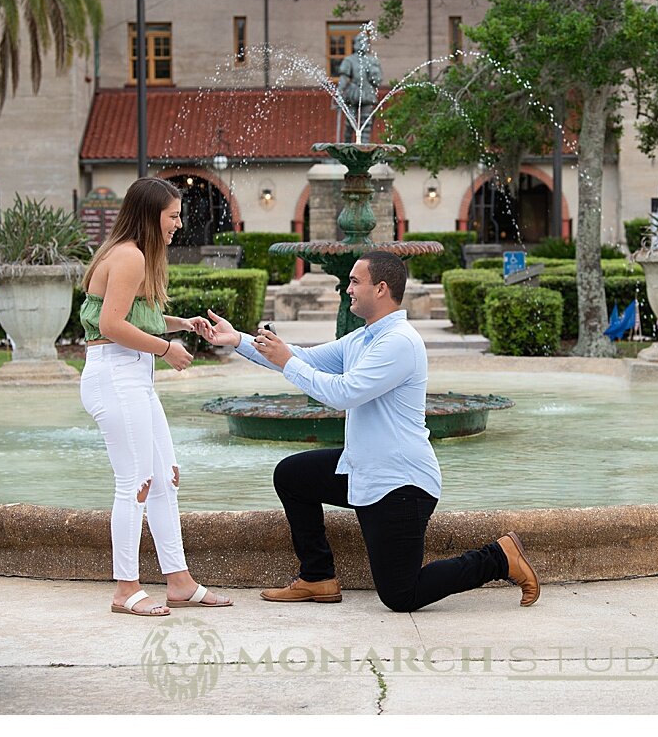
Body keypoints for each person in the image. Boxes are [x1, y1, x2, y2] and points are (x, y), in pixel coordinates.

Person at [192, 250, 539, 612]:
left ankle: (499, 558)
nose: (348, 289)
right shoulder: (361, 339)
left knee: (401, 596)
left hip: (400, 484)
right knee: (292, 476)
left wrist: (288, 362)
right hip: (364, 469)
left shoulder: (399, 343)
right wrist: (237, 341)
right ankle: (317, 577)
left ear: (381, 289)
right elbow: (301, 357)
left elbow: (343, 393)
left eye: (356, 282)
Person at [79, 177, 232, 616]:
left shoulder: (132, 256)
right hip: (116, 376)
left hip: (132, 378)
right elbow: (111, 326)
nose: (179, 224)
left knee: (165, 477)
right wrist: (167, 350)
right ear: (150, 216)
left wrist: (180, 324)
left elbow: (133, 316)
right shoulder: (128, 257)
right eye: (173, 216)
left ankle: (179, 582)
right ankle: (125, 589)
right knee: (135, 483)